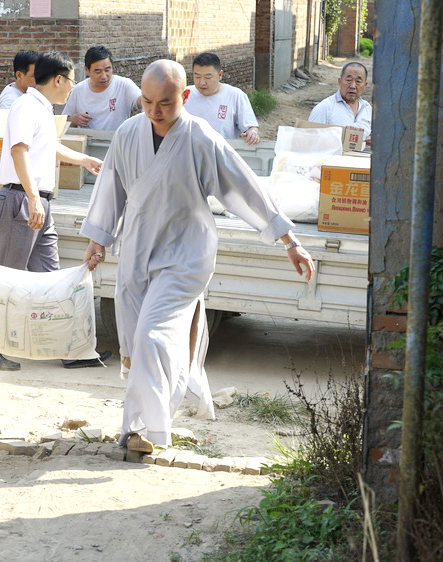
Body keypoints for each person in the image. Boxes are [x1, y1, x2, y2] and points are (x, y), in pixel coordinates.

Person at [79, 60, 315, 451]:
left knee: (153, 337)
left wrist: (289, 239)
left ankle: (148, 431)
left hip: (186, 255)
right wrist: (98, 239)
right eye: (148, 102)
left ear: (184, 97)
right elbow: (111, 191)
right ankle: (145, 422)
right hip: (138, 251)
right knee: (136, 345)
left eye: (166, 103)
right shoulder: (126, 134)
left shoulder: (200, 137)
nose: (155, 111)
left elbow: (243, 185)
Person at [0, 51, 112, 370]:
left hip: (38, 202)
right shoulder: (24, 106)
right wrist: (33, 198)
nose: (73, 90)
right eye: (73, 82)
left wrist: (83, 160)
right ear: (59, 79)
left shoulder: (41, 109)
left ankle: (70, 349)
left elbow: (47, 147)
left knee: (52, 279)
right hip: (23, 201)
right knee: (6, 278)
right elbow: (19, 151)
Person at [183, 52, 260, 146]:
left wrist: (252, 133)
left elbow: (250, 126)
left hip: (222, 153)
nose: (202, 82)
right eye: (197, 76)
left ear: (220, 75)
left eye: (208, 77)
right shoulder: (184, 94)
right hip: (189, 153)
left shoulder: (235, 95)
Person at [62, 46, 141, 131]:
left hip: (118, 140)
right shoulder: (78, 90)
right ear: (87, 70)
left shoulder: (124, 85)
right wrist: (74, 119)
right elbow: (64, 121)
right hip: (88, 141)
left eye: (107, 70)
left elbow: (144, 102)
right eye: (98, 71)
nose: (103, 76)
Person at [308, 61, 372, 145]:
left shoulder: (367, 108)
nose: (352, 86)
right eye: (348, 80)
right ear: (340, 81)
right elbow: (308, 140)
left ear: (365, 84)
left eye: (358, 82)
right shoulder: (325, 108)